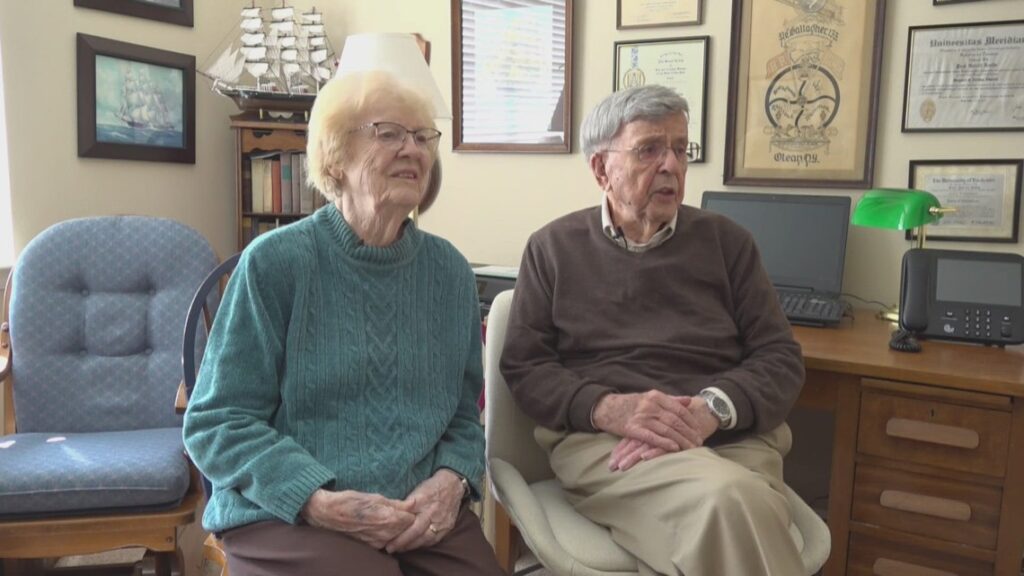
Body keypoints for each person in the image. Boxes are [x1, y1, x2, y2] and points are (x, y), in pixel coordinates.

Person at [183, 71, 503, 576]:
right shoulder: (276, 263)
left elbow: (463, 415)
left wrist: (453, 482)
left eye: (423, 137)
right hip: (286, 511)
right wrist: (312, 498)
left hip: (416, 513)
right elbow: (216, 422)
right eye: (390, 133)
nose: (413, 150)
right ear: (335, 156)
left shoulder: (450, 273)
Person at [500, 84, 807, 576]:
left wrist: (711, 410)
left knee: (730, 499)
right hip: (611, 447)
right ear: (602, 168)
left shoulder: (728, 244)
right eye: (649, 150)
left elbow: (780, 359)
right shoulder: (552, 248)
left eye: (680, 149)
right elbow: (526, 366)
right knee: (728, 503)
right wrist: (609, 408)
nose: (672, 166)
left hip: (727, 440)